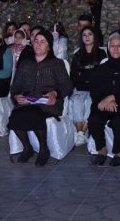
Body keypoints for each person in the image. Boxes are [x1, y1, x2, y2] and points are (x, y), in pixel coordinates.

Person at [8, 29, 73, 166]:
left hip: (48, 102)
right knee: (14, 116)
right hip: (27, 101)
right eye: (36, 41)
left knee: (34, 113)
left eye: (42, 42)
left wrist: (56, 94)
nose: (38, 44)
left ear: (49, 46)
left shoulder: (56, 64)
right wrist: (16, 96)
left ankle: (44, 149)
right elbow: (15, 86)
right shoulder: (25, 63)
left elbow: (67, 86)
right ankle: (27, 148)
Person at [88, 33, 120, 166]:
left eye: (119, 46)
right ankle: (101, 150)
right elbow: (94, 90)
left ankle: (119, 152)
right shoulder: (102, 68)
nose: (116, 49)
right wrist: (105, 101)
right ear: (108, 48)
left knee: (118, 121)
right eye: (112, 46)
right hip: (105, 104)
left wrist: (113, 97)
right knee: (94, 119)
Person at [69, 26, 107, 146]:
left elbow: (102, 75)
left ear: (95, 36)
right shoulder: (77, 54)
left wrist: (84, 75)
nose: (87, 37)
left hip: (97, 88)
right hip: (80, 88)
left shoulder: (102, 53)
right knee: (77, 100)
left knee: (91, 102)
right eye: (84, 35)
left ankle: (84, 130)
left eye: (90, 34)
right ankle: (80, 133)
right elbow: (74, 76)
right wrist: (89, 76)